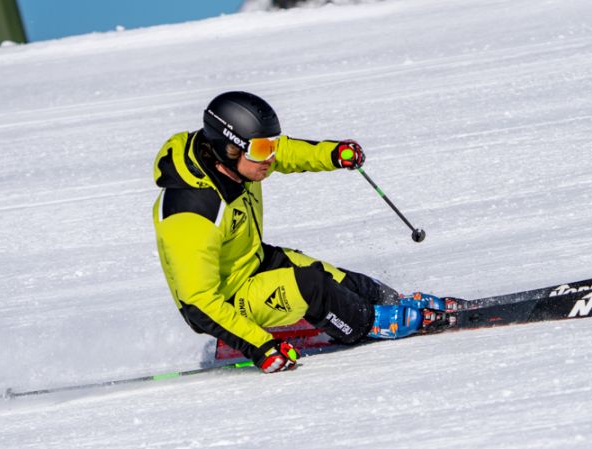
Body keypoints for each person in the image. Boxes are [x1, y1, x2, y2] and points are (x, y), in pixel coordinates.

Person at [152, 91, 443, 374]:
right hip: (225, 300)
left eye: (272, 146)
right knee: (312, 286)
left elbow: (287, 152)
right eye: (263, 150)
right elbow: (197, 302)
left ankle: (392, 302)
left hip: (250, 261)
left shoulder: (241, 162)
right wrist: (261, 347)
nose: (271, 158)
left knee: (334, 278)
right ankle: (373, 323)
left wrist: (332, 154)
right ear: (228, 148)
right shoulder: (191, 212)